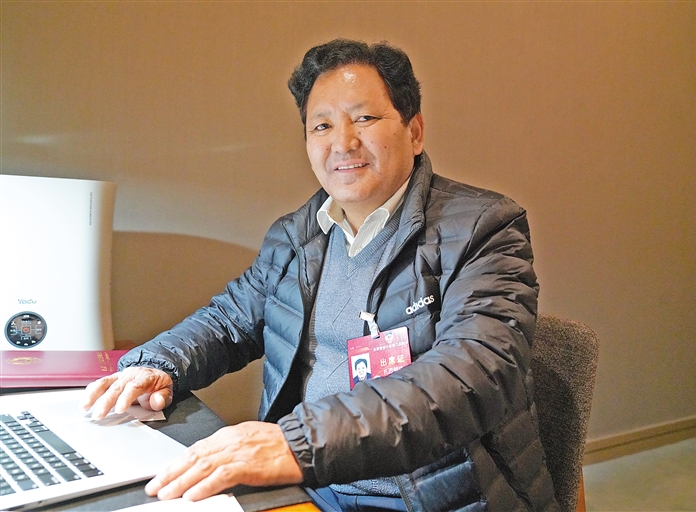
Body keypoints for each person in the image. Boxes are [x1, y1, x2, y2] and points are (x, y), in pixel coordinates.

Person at [82, 39, 559, 512]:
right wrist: (157, 364)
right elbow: (228, 321)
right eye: (322, 125)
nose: (343, 143)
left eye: (364, 118)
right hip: (306, 490)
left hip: (432, 500)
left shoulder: (483, 227)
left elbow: (473, 373)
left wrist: (295, 443)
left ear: (414, 132)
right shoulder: (296, 237)